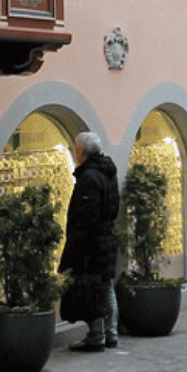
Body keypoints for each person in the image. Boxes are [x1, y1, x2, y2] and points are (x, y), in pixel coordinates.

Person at [59, 132, 120, 351]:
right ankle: (111, 332)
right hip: (107, 239)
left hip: (93, 244)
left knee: (93, 287)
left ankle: (96, 336)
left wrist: (78, 248)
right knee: (106, 286)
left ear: (82, 152)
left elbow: (85, 219)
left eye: (76, 149)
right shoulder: (108, 173)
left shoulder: (89, 179)